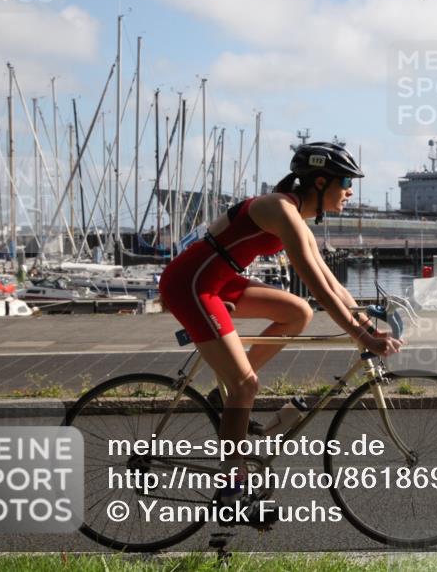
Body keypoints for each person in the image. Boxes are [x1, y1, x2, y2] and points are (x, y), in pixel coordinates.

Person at [157, 141, 403, 517]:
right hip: (190, 284)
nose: (350, 191)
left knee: (297, 312)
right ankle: (231, 492)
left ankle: (225, 397)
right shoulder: (280, 210)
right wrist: (362, 337)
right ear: (320, 182)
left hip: (219, 282)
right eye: (345, 182)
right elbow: (318, 287)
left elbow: (332, 283)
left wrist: (367, 325)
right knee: (246, 385)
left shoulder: (294, 217)